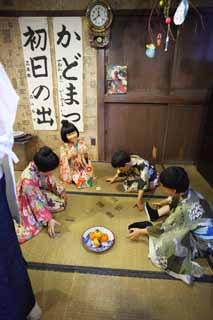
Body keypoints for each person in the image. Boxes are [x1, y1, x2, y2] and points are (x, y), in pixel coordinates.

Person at [0, 62, 41, 319]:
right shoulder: (29, 177)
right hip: (30, 196)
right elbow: (35, 197)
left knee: (5, 251)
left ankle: (20, 305)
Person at [128, 166, 213, 284]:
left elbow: (163, 229)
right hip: (206, 234)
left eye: (162, 186)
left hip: (201, 245)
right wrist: (165, 202)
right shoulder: (191, 192)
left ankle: (185, 271)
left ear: (173, 190)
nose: (161, 187)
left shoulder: (182, 212)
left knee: (157, 254)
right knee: (172, 210)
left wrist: (141, 231)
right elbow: (175, 199)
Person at [15, 146, 66, 244]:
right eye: (50, 170)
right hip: (26, 199)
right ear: (43, 168)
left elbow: (50, 179)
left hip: (36, 193)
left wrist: (61, 191)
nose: (52, 172)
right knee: (30, 227)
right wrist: (48, 219)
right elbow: (35, 203)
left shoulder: (39, 165)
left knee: (60, 204)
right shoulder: (28, 180)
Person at [59, 120, 94, 188]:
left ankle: (81, 176)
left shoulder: (81, 142)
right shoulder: (63, 146)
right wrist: (72, 153)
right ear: (64, 136)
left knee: (88, 177)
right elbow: (63, 160)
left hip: (81, 166)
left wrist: (84, 153)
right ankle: (74, 178)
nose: (73, 136)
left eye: (73, 133)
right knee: (80, 182)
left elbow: (86, 156)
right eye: (69, 135)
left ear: (76, 132)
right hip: (71, 168)